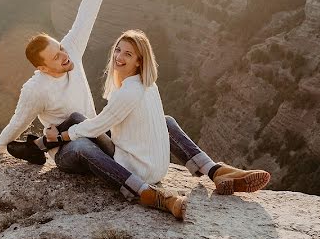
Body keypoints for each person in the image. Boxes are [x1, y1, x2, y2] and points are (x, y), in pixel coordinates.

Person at [42, 29, 271, 219]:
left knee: (82, 146)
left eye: (128, 54)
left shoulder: (126, 93)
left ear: (139, 61)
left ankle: (146, 194)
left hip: (135, 170)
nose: (118, 57)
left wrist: (60, 138)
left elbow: (96, 128)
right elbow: (99, 124)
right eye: (118, 50)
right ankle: (215, 170)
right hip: (156, 167)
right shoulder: (148, 85)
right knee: (165, 122)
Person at [0, 0, 112, 161]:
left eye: (61, 49)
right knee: (82, 143)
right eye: (56, 57)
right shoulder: (35, 89)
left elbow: (86, 16)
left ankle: (36, 147)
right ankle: (39, 148)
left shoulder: (70, 52)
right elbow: (19, 121)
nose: (64, 56)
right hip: (68, 149)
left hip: (94, 133)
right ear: (43, 68)